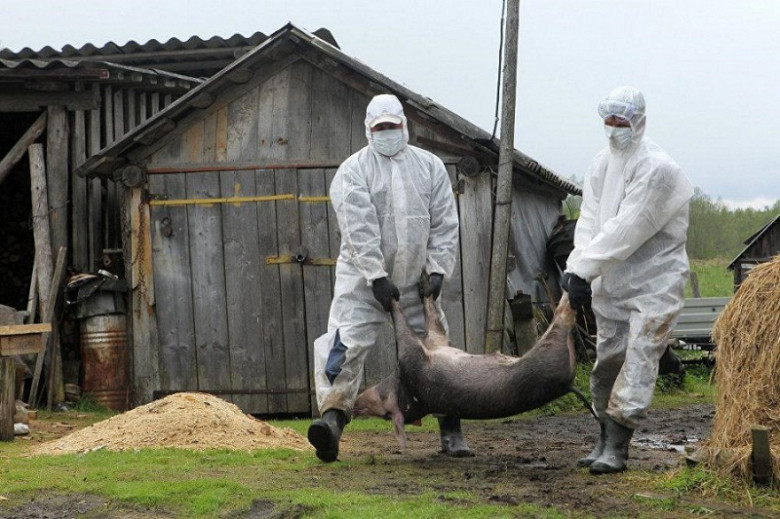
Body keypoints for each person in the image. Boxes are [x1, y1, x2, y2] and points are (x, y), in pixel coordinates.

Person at [307, 94, 470, 463]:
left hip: (416, 283)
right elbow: (357, 226)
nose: (387, 133)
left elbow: (445, 222)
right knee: (341, 345)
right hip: (362, 283)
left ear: (404, 126)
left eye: (392, 127)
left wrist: (438, 270)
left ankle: (451, 430)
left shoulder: (429, 167)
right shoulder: (353, 170)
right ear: (369, 130)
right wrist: (377, 276)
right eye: (380, 128)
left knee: (435, 351)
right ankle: (331, 421)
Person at [562, 86, 693, 474]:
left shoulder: (660, 169)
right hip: (612, 283)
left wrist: (585, 269)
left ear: (638, 121)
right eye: (609, 120)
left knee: (637, 360)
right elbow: (588, 219)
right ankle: (603, 435)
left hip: (654, 283)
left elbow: (628, 227)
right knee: (608, 362)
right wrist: (577, 265)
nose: (614, 128)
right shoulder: (601, 163)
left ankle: (618, 445)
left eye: (622, 121)